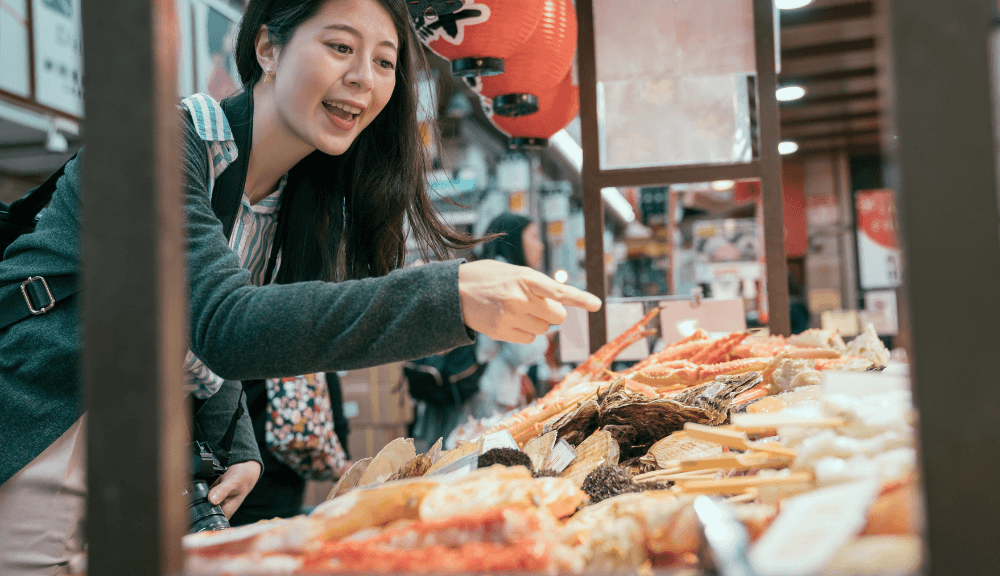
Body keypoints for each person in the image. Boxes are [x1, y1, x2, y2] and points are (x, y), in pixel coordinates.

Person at [0, 0, 601, 572]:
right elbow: (225, 323)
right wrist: (448, 295)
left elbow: (196, 328)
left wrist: (236, 443)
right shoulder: (161, 146)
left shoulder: (292, 197)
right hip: (46, 422)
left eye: (385, 61)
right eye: (341, 45)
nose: (363, 77)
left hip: (141, 444)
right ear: (268, 47)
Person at [466, 213, 551, 420]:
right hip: (489, 395)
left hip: (484, 388)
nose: (540, 246)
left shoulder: (490, 273)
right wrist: (546, 337)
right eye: (533, 236)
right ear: (514, 241)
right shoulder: (505, 280)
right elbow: (520, 350)